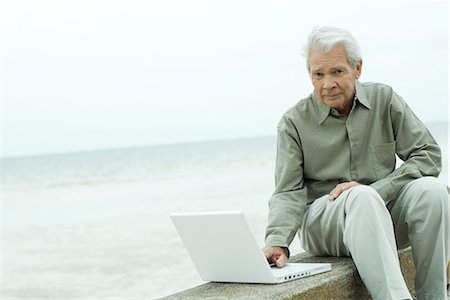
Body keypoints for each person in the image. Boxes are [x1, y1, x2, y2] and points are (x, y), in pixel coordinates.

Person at [263, 26, 449, 300]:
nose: (327, 84)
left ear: (357, 68)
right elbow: (288, 191)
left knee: (433, 192)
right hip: (325, 225)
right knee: (360, 196)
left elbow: (428, 154)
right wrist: (278, 241)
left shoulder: (384, 99)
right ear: (310, 75)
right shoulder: (293, 123)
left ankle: (434, 296)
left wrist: (380, 189)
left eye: (337, 71)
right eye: (318, 74)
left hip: (380, 214)